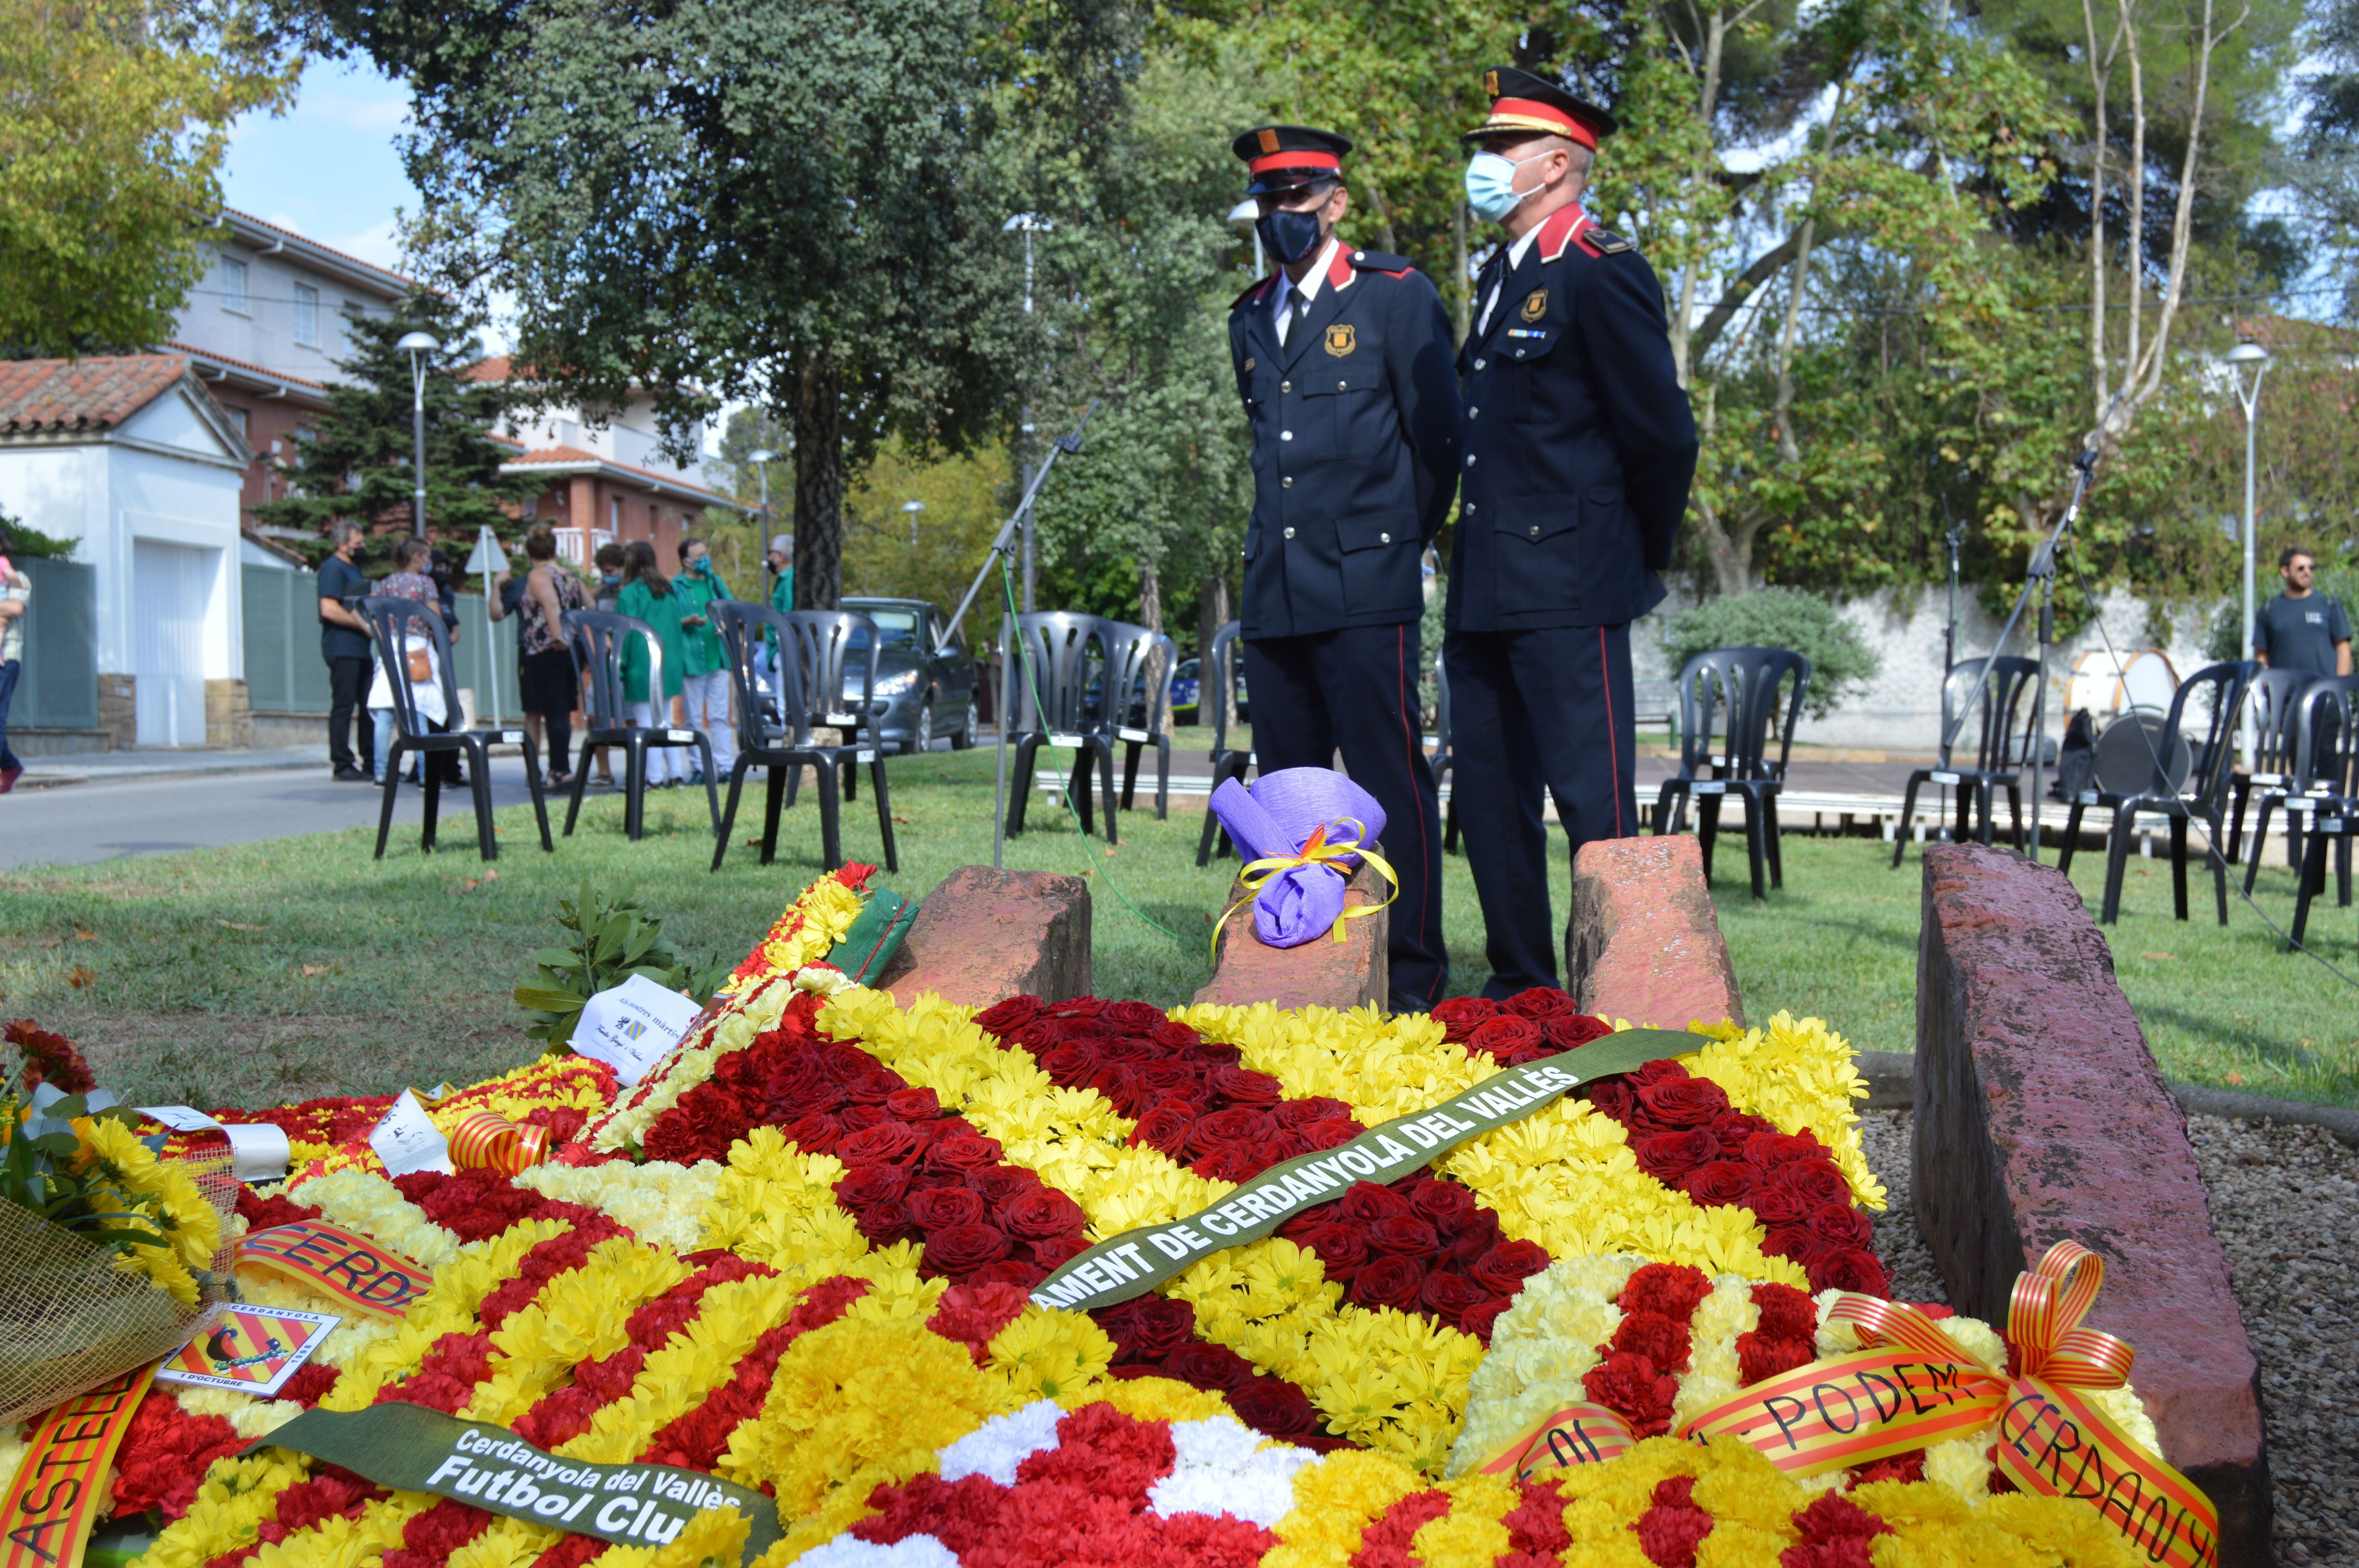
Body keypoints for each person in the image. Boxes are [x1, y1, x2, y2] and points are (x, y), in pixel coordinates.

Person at [1444, 67, 1699, 999]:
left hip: (1571, 583)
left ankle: (1614, 989)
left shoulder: (1600, 273)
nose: (1483, 164)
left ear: (1556, 163)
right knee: (1488, 799)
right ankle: (1522, 988)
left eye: (1498, 148)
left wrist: (1631, 550)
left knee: (1590, 804)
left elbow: (1664, 435)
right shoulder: (1497, 277)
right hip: (1486, 586)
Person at [1224, 123, 1463, 1014]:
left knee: (1388, 777)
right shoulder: (1248, 315)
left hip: (1368, 587)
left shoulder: (1394, 297)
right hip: (1276, 589)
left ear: (1335, 201)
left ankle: (1412, 973)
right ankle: (1297, 959)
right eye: (1269, 201)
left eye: (1297, 197)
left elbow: (1439, 439)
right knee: (1286, 789)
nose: (1281, 215)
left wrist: (1397, 539)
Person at [491, 524, 592, 786]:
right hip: (572, 649)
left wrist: (558, 637)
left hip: (546, 650)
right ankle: (561, 768)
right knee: (563, 712)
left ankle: (560, 771)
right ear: (554, 549)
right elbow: (590, 605)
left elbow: (551, 604)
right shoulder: (570, 575)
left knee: (553, 711)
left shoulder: (538, 576)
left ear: (529, 552)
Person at [366, 537, 461, 786]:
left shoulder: (387, 583)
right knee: (419, 712)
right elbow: (435, 618)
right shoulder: (425, 584)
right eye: (428, 557)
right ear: (417, 558)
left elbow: (370, 610)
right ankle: (424, 775)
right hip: (417, 653)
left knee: (386, 714)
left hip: (390, 652)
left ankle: (381, 773)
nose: (430, 562)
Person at [616, 539, 691, 786]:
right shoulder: (667, 591)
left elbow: (624, 632)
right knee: (664, 720)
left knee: (646, 723)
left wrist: (620, 664)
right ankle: (676, 775)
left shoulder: (629, 593)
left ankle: (654, 778)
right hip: (668, 664)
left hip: (641, 664)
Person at [672, 535, 736, 783]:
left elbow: (732, 608)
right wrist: (686, 622)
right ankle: (699, 768)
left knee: (720, 716)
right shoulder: (676, 586)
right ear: (686, 561)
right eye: (699, 557)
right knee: (693, 718)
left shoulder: (715, 582)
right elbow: (668, 623)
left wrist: (726, 621)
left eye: (705, 554)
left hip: (718, 658)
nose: (704, 560)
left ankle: (725, 767)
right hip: (691, 661)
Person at [318, 521, 376, 781]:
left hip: (361, 649)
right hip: (343, 648)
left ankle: (372, 761)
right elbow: (329, 609)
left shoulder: (354, 569)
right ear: (342, 545)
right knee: (344, 706)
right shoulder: (333, 568)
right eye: (358, 543)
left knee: (368, 706)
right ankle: (342, 764)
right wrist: (364, 626)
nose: (363, 547)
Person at [2254, 547, 2354, 677]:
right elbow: (2261, 654)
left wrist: (2338, 687)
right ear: (2285, 571)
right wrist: (2267, 685)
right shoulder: (2269, 610)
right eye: (2301, 568)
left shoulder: (2330, 605)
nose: (2307, 572)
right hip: (2283, 695)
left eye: (2311, 568)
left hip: (2323, 693)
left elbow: (2344, 650)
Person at [0, 525, 26, 795]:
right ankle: (9, 765)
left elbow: (15, 607)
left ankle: (8, 766)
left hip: (6, 658)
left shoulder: (19, 578)